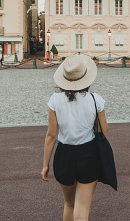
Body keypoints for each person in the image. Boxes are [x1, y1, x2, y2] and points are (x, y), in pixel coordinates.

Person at [42, 55, 109, 221]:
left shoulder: (55, 100)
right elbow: (104, 131)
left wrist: (45, 165)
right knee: (82, 207)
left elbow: (51, 135)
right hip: (88, 154)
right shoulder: (95, 100)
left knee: (69, 204)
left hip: (64, 154)